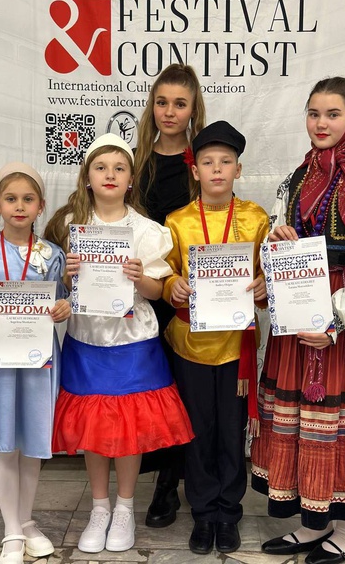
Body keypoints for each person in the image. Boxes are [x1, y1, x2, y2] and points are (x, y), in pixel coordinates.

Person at [250, 77, 345, 564]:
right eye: (314, 113)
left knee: (336, 418)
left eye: (333, 114)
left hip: (342, 322)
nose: (321, 123)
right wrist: (278, 243)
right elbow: (280, 245)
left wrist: (335, 320)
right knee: (302, 420)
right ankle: (314, 523)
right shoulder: (297, 176)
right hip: (298, 318)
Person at [45, 133, 194, 553]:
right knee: (94, 426)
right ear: (87, 177)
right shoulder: (69, 225)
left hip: (133, 339)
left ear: (131, 179)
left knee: (129, 426)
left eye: (119, 168)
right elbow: (56, 288)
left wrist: (139, 277)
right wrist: (67, 274)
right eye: (100, 167)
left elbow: (156, 291)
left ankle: (125, 507)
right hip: (87, 337)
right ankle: (99, 507)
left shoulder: (147, 231)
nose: (110, 175)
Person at [163, 120, 269, 555]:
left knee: (231, 431)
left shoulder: (256, 219)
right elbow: (164, 273)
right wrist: (173, 286)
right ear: (195, 171)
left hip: (235, 350)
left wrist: (264, 287)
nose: (218, 169)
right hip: (191, 345)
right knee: (198, 431)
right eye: (208, 162)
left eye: (226, 162)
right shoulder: (177, 222)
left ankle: (229, 511)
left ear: (238, 170)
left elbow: (267, 275)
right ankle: (203, 512)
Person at [0, 162, 71, 564]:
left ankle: (25, 521)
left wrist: (64, 307)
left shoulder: (53, 255)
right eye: (11, 199)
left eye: (28, 199)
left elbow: (62, 298)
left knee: (33, 442)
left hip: (38, 359)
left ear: (41, 206)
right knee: (6, 442)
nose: (19, 206)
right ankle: (11, 531)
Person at [133, 63, 206, 528]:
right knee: (153, 386)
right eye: (162, 102)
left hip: (185, 289)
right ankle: (159, 474)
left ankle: (174, 481)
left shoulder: (201, 163)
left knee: (184, 385)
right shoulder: (134, 159)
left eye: (180, 103)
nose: (170, 111)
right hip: (141, 290)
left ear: (193, 109)